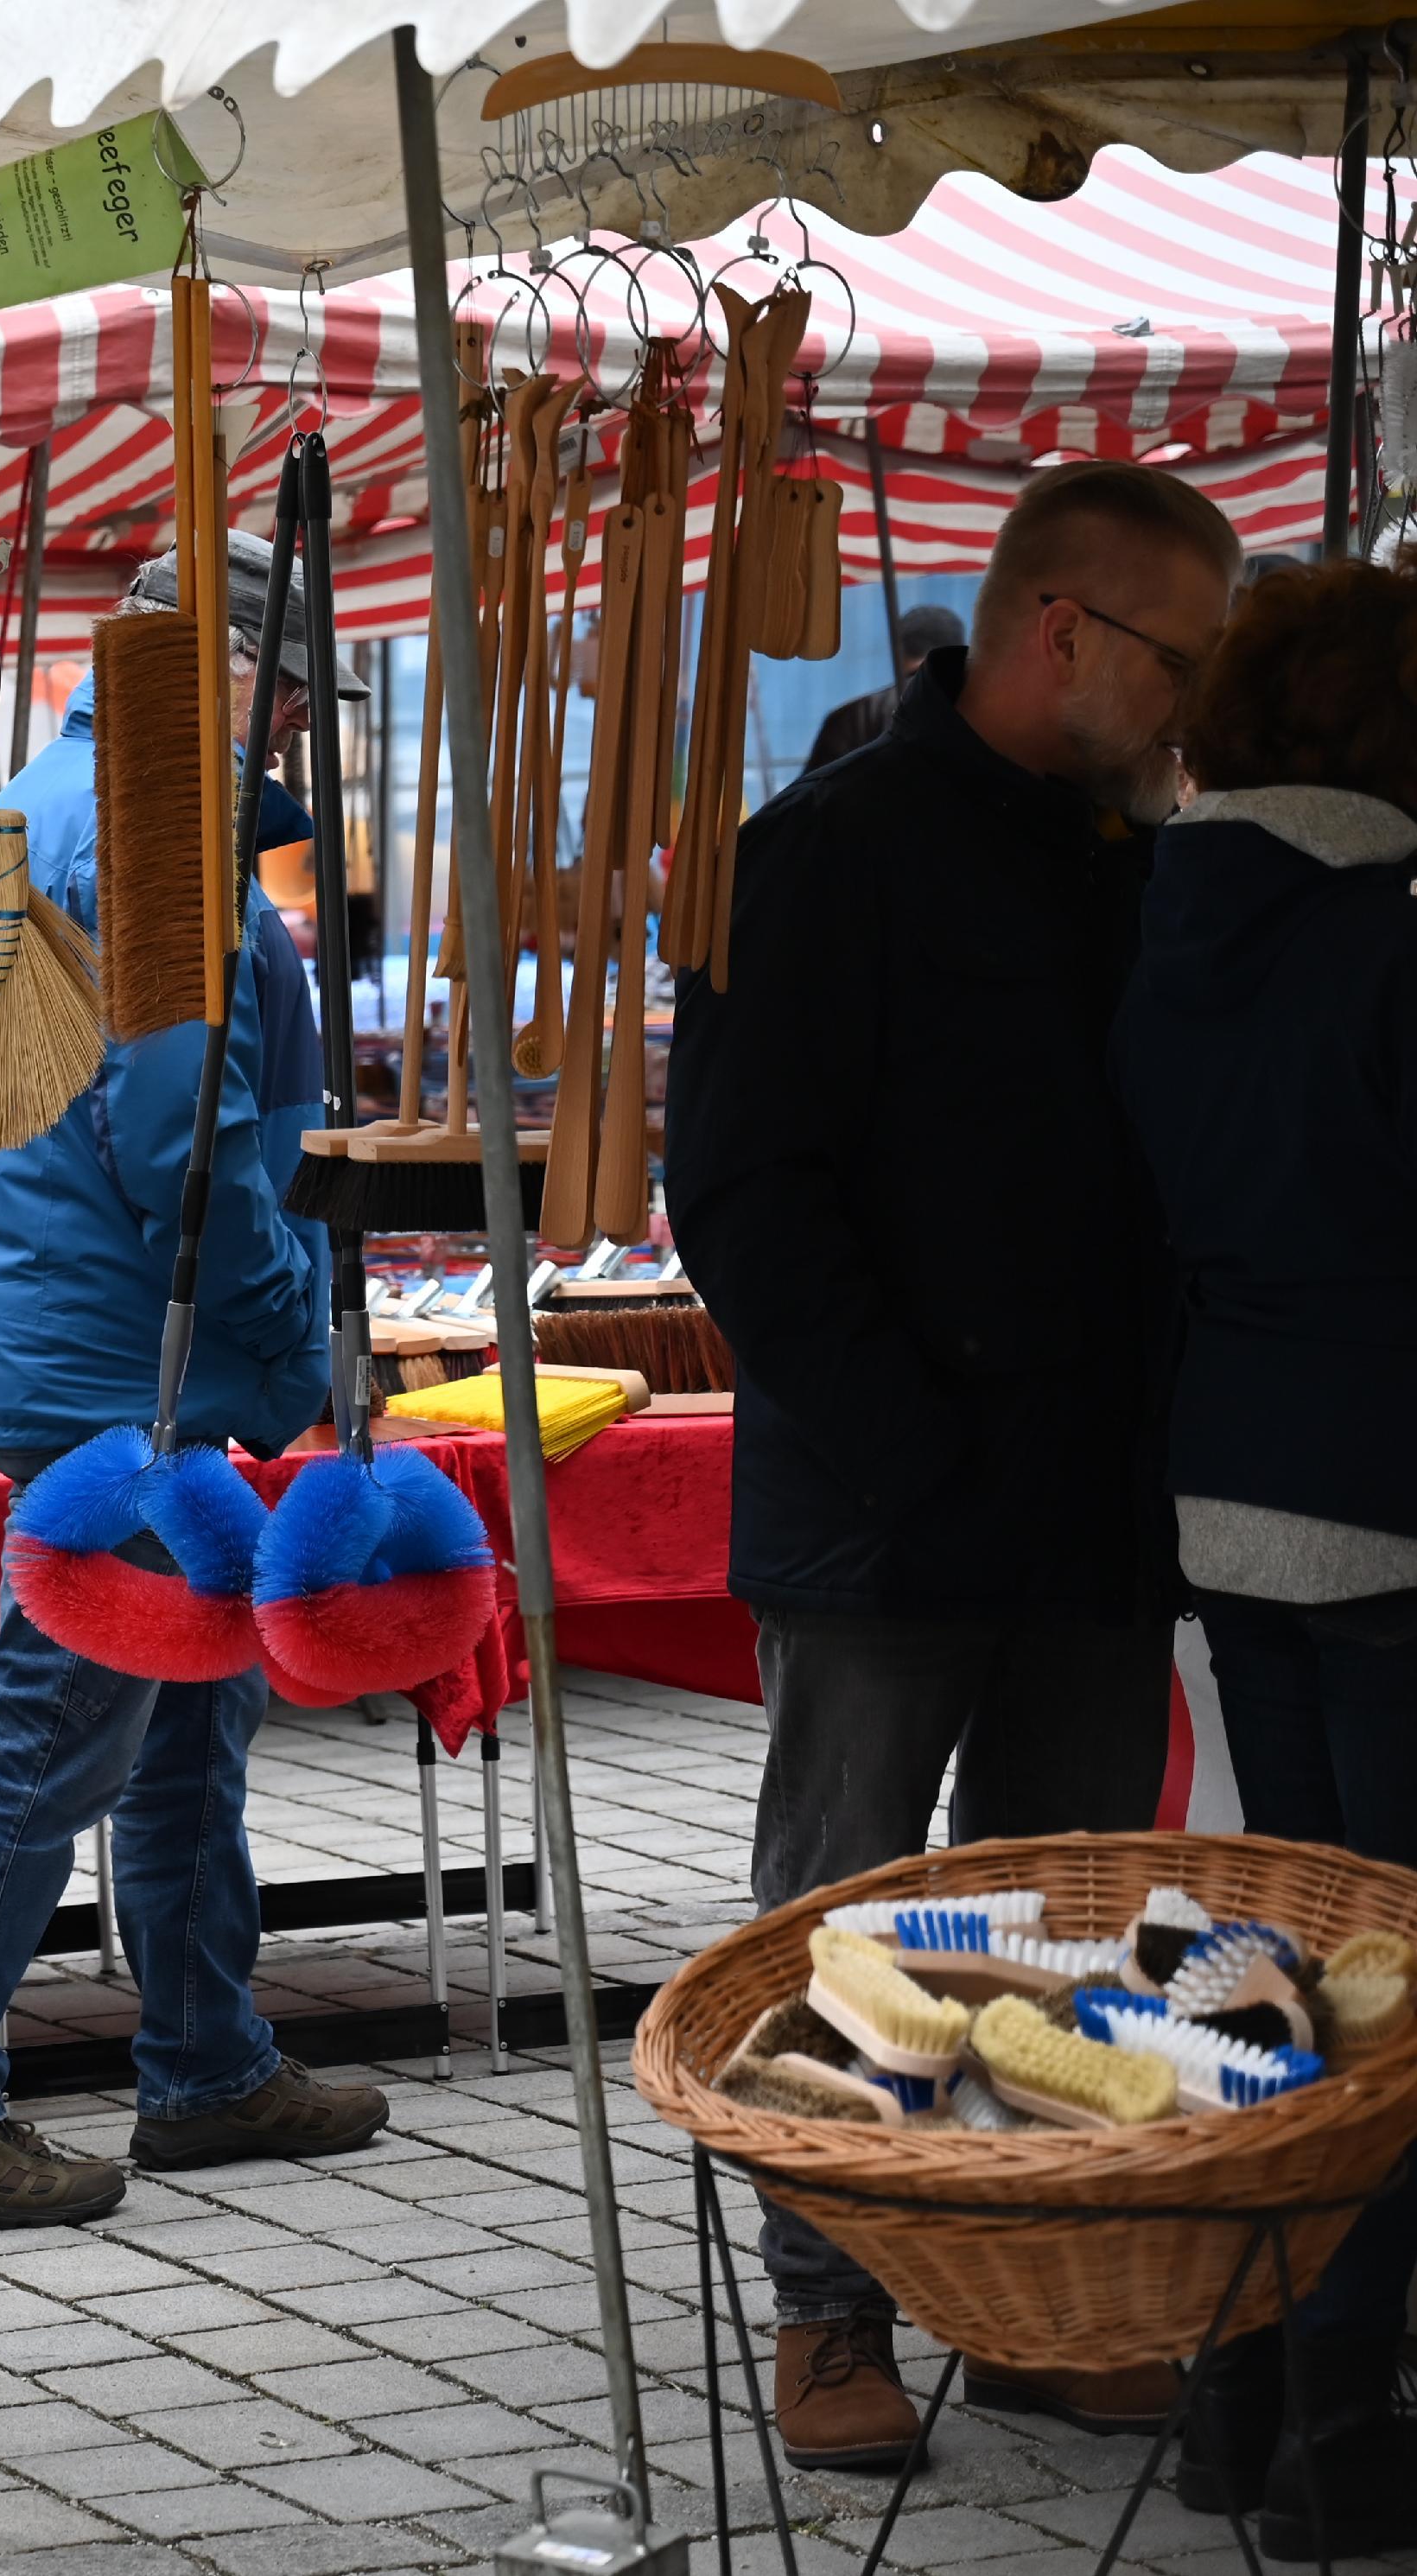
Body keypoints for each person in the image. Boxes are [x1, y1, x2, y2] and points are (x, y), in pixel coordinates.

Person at [666, 457, 1239, 2468]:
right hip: (885, 1501)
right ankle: (826, 2309)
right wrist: (909, 1439)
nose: (1199, 703)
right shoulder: (827, 848)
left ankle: (1032, 2293)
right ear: (1066, 629)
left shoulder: (1143, 854)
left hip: (1094, 1491)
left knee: (1072, 1914)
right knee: (849, 1915)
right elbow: (738, 1191)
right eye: (1182, 657)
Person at [0, 533, 382, 2240]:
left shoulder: (52, 795)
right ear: (219, 674)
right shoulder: (155, 816)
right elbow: (183, 1134)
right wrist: (285, 1325)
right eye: (285, 688)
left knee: (182, 1710)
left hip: (60, 1313)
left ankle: (207, 2058)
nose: (296, 724)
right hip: (114, 1344)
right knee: (54, 1731)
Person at [1112, 561, 1417, 2555]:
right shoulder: (1386, 932)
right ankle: (1333, 2416)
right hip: (1384, 1485)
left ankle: (1240, 2386)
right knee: (1389, 1977)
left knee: (1300, 1952)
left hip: (1228, 1473)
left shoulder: (1174, 913)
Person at [798, 602, 966, 775]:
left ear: (898, 650)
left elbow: (811, 795)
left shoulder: (852, 717)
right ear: (961, 650)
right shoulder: (983, 710)